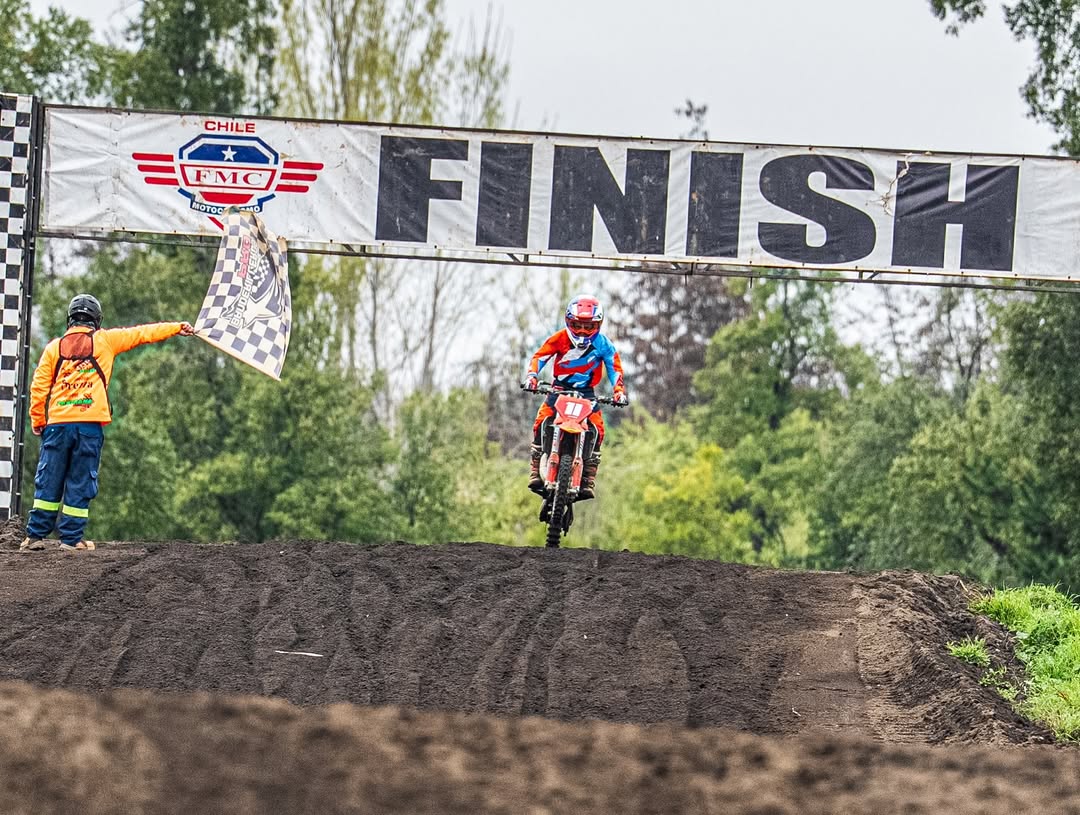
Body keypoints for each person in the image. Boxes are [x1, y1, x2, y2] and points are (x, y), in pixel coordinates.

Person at [19, 294, 195, 552]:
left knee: (49, 479)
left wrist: (38, 420)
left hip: (56, 426)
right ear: (96, 320)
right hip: (88, 426)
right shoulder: (106, 340)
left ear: (70, 319)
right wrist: (176, 327)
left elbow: (39, 388)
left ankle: (35, 537)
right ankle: (71, 540)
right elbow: (142, 333)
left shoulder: (53, 348)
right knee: (81, 481)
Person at [521, 293, 628, 499]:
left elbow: (614, 367)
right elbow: (540, 356)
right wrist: (532, 376)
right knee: (541, 420)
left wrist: (619, 391)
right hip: (559, 389)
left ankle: (588, 476)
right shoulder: (559, 338)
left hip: (587, 393)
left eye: (588, 327)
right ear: (569, 322)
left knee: (598, 428)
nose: (582, 331)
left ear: (598, 325)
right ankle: (535, 468)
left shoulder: (604, 344)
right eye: (577, 325)